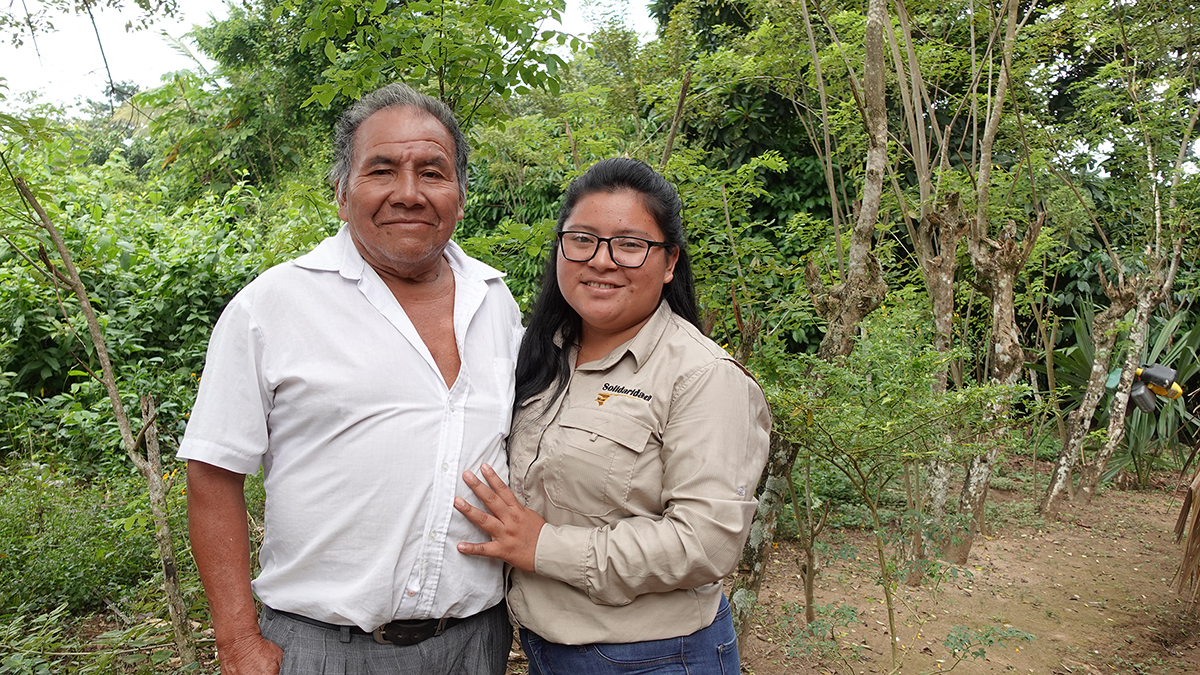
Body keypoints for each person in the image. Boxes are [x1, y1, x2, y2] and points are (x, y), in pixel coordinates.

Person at [179, 83, 522, 675]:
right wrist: (237, 641)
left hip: (475, 644)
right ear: (342, 193)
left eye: (433, 173)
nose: (408, 193)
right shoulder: (273, 305)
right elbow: (212, 472)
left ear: (460, 196)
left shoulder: (495, 301)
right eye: (382, 170)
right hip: (317, 650)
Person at [453, 157, 770, 673]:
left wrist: (543, 546)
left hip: (654, 656)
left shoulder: (702, 375)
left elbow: (705, 543)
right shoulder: (541, 354)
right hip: (546, 647)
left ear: (669, 263)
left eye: (630, 244)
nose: (601, 261)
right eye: (582, 239)